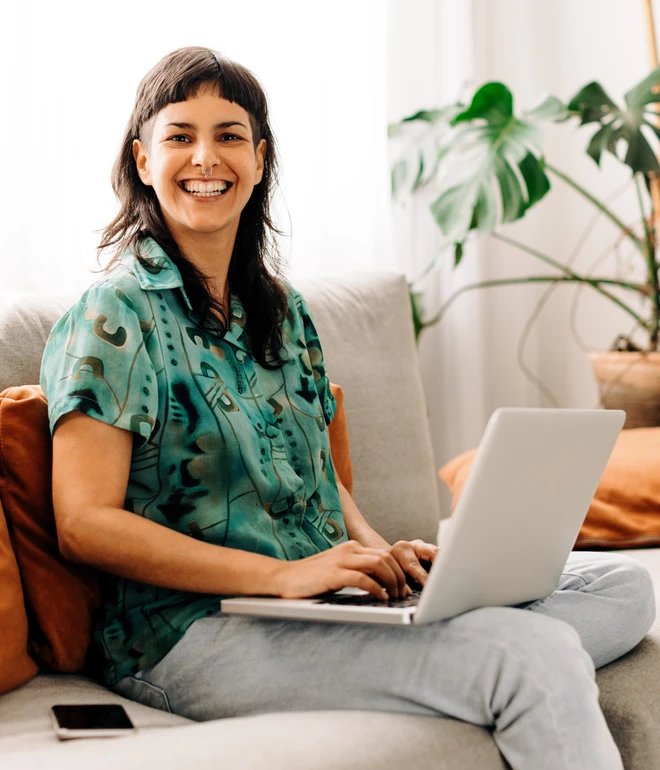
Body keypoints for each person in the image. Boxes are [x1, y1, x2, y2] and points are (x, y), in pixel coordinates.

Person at [40, 46, 655, 770]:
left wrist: (376, 548)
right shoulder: (115, 315)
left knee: (624, 587)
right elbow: (85, 524)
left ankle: (452, 639)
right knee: (533, 652)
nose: (206, 157)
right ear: (143, 160)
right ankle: (486, 658)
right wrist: (280, 576)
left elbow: (318, 479)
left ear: (260, 160)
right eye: (180, 136)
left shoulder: (282, 312)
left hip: (316, 605)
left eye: (229, 135)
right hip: (188, 635)